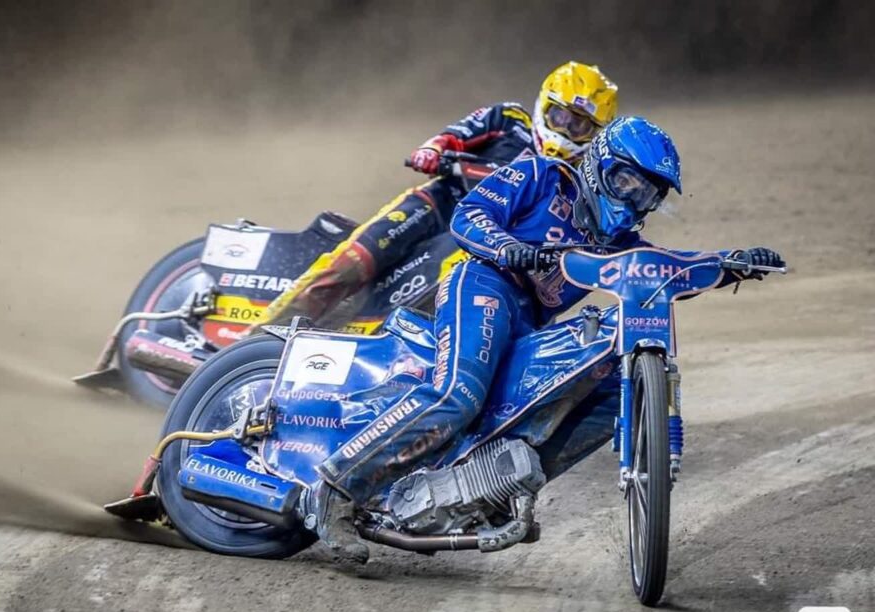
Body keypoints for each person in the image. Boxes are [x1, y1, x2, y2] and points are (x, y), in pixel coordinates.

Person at [307, 116, 785, 563]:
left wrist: (730, 263)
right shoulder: (541, 175)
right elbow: (469, 215)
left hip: (528, 321)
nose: (633, 201)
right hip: (483, 284)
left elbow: (664, 269)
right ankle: (335, 490)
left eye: (648, 195)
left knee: (602, 393)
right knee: (460, 395)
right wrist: (507, 248)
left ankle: (485, 491)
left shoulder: (619, 246)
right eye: (626, 183)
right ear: (599, 164)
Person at [250, 62, 619, 331]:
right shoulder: (508, 119)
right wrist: (433, 150)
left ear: (595, 132)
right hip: (437, 204)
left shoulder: (581, 178)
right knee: (352, 262)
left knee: (460, 292)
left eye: (579, 124)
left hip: (487, 239)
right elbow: (451, 136)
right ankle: (258, 340)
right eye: (559, 116)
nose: (565, 129)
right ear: (543, 105)